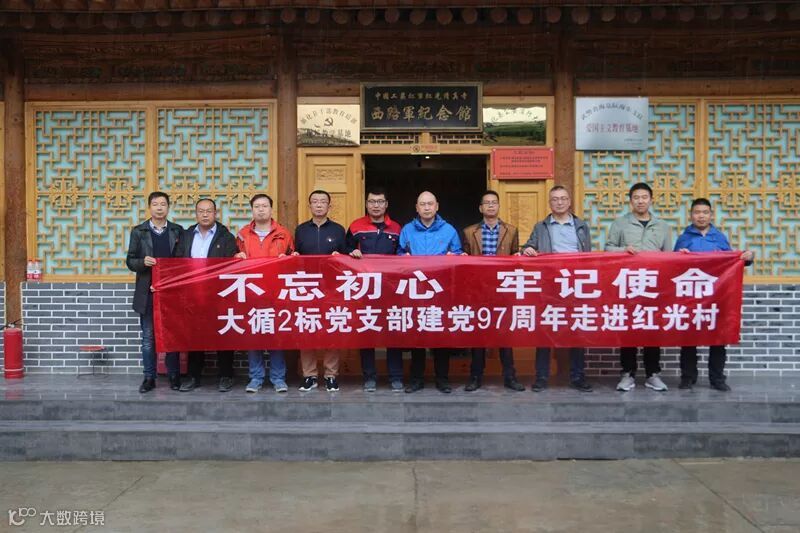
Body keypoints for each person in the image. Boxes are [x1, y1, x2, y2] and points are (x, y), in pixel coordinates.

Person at [674, 198, 754, 392]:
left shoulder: (719, 237)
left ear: (711, 215)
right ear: (691, 215)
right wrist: (679, 256)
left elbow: (732, 261)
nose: (701, 216)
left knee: (718, 339)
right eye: (697, 212)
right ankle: (687, 378)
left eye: (705, 212)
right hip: (691, 296)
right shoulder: (684, 238)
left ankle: (717, 379)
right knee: (688, 339)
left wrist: (747, 257)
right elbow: (673, 266)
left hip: (717, 295)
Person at [521, 185, 593, 393]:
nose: (559, 202)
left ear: (569, 202)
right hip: (549, 286)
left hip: (576, 285)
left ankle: (578, 377)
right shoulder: (541, 227)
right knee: (545, 333)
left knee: (576, 332)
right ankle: (541, 377)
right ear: (549, 203)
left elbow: (588, 254)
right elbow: (528, 247)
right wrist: (528, 249)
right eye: (555, 199)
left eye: (563, 198)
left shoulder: (581, 226)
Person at [605, 182, 673, 392]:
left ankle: (653, 374)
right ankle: (627, 373)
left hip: (654, 285)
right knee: (629, 330)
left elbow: (670, 257)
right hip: (629, 283)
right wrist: (623, 250)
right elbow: (608, 248)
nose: (640, 201)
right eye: (636, 197)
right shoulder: (620, 224)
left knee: (652, 329)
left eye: (644, 197)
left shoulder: (663, 226)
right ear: (630, 201)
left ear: (651, 200)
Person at [398, 191, 463, 394]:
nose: (426, 208)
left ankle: (442, 379)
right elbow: (398, 255)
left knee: (441, 338)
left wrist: (455, 257)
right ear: (416, 208)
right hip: (416, 292)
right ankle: (416, 379)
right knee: (417, 338)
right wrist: (403, 257)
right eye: (422, 204)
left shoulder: (449, 230)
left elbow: (459, 255)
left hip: (441, 292)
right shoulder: (407, 230)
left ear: (437, 206)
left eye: (430, 204)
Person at [461, 190, 525, 392]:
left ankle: (510, 377)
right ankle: (475, 377)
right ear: (480, 208)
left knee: (505, 336)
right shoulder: (469, 232)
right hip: (479, 291)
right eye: (486, 203)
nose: (490, 206)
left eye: (494, 202)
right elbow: (464, 261)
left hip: (503, 289)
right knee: (478, 336)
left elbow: (516, 259)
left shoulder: (511, 230)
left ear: (498, 206)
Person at [176, 198, 239, 393]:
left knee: (224, 334)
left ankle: (226, 375)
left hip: (219, 294)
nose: (205, 214)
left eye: (209, 211)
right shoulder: (186, 235)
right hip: (193, 293)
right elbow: (177, 262)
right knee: (194, 335)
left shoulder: (226, 237)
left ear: (215, 213)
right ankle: (193, 376)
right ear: (196, 214)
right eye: (201, 211)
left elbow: (232, 265)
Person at [346, 187, 405, 392]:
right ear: (366, 204)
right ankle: (369, 377)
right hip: (365, 289)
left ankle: (396, 377)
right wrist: (351, 252)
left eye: (380, 202)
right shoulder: (356, 226)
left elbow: (403, 254)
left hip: (391, 289)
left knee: (393, 333)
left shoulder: (397, 228)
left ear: (386, 205)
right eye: (372, 202)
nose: (376, 206)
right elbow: (345, 251)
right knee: (367, 333)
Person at [235, 193, 294, 394]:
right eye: (257, 206)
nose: (261, 209)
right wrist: (236, 257)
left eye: (264, 206)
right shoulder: (242, 234)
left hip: (276, 292)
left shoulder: (283, 233)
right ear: (252, 210)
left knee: (276, 337)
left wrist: (290, 258)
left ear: (271, 209)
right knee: (254, 338)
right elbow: (233, 262)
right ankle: (256, 378)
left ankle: (278, 378)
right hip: (251, 291)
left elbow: (293, 259)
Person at [126, 191, 184, 393]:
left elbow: (182, 262)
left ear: (168, 207)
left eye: (163, 204)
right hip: (147, 292)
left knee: (172, 337)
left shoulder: (177, 231)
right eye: (155, 204)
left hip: (171, 292)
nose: (159, 208)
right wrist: (142, 262)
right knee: (148, 338)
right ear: (149, 207)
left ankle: (174, 375)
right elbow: (130, 261)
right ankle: (149, 377)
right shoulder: (139, 231)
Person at [294, 190, 347, 392]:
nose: (318, 205)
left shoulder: (338, 230)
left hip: (332, 288)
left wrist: (340, 256)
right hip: (306, 288)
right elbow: (294, 255)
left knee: (331, 330)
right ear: (309, 206)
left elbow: (346, 258)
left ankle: (331, 375)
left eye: (323, 202)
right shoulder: (301, 230)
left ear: (329, 206)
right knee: (307, 330)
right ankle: (309, 376)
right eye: (315, 201)